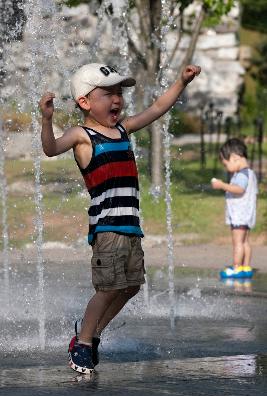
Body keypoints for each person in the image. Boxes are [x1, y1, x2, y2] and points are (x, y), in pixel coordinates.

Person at [39, 62, 201, 374]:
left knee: (131, 286)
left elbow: (156, 109)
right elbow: (49, 149)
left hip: (130, 226)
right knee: (108, 288)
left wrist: (181, 82)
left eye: (119, 93)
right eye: (108, 93)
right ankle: (83, 342)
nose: (117, 99)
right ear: (85, 102)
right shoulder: (81, 135)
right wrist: (47, 120)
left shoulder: (123, 128)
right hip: (107, 228)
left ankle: (93, 334)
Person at [211, 138, 258, 280]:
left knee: (237, 243)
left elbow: (239, 189)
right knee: (245, 242)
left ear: (235, 158)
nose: (226, 168)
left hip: (239, 215)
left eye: (226, 165)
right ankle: (246, 266)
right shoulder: (250, 173)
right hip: (247, 214)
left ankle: (237, 267)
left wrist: (222, 185)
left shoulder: (242, 174)